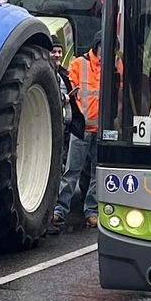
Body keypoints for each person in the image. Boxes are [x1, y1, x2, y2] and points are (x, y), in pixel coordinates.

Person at [55, 36, 102, 229]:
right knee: (72, 171)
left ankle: (91, 211)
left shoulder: (116, 64)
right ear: (97, 44)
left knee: (96, 175)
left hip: (101, 130)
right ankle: (60, 209)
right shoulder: (78, 64)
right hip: (82, 129)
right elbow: (69, 91)